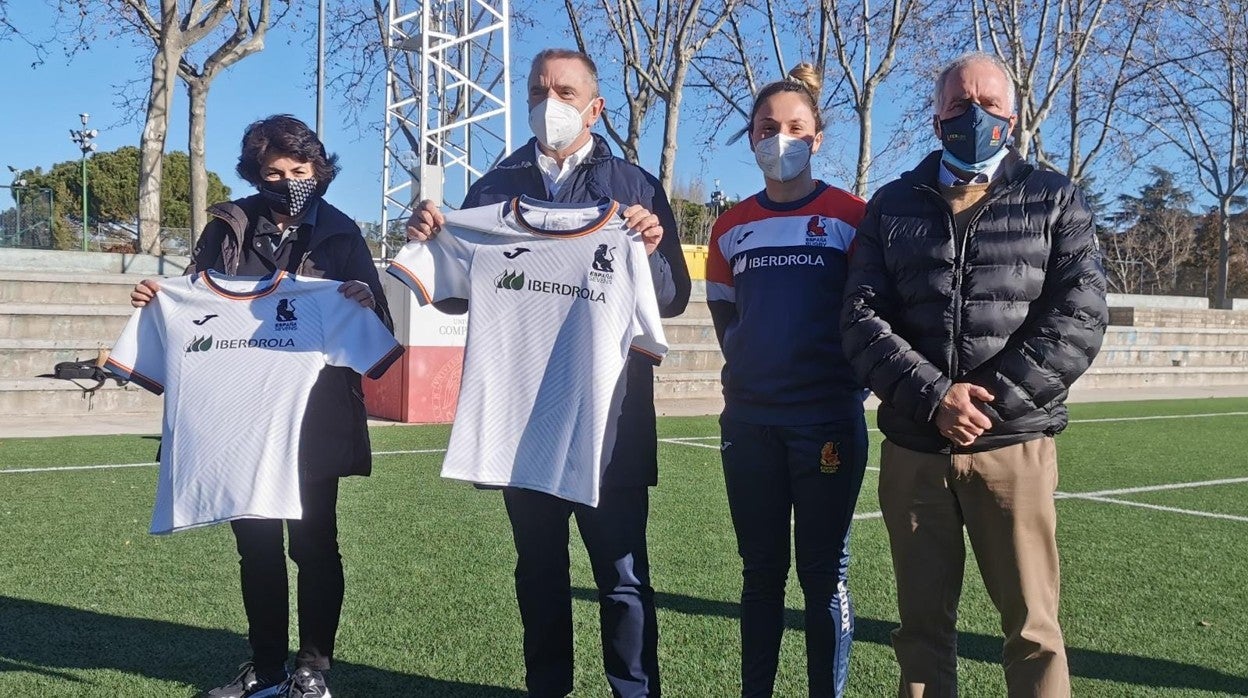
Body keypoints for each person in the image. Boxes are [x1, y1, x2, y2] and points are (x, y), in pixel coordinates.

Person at [405, 48, 690, 698]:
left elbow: (671, 297)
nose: (549, 102)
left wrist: (649, 250)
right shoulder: (492, 189)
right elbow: (454, 293)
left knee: (622, 575)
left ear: (596, 106)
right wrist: (432, 236)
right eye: (538, 90)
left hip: (609, 420)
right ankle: (547, 689)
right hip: (521, 415)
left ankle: (635, 692)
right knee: (538, 569)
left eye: (565, 91)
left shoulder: (636, 187)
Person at [840, 52, 1108, 697]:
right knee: (921, 630)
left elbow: (1080, 313)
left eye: (989, 103)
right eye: (960, 105)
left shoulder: (1053, 196)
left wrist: (990, 400)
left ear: (1012, 116)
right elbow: (859, 315)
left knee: (1033, 630)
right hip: (915, 447)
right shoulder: (893, 203)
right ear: (936, 117)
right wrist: (935, 398)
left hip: (1012, 445)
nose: (975, 116)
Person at [130, 114, 392, 698]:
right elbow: (195, 298)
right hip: (237, 416)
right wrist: (159, 299)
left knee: (314, 541)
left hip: (313, 417)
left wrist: (364, 301)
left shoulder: (344, 234)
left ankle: (313, 670)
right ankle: (267, 668)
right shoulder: (227, 226)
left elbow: (380, 333)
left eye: (301, 169)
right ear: (255, 173)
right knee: (255, 545)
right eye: (274, 171)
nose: (289, 180)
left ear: (318, 169)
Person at [704, 64, 868, 698]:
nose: (781, 139)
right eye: (768, 128)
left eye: (795, 128)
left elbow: (871, 315)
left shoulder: (853, 215)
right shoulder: (730, 226)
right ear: (751, 138)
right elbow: (726, 315)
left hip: (826, 420)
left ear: (818, 137)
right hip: (749, 424)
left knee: (825, 575)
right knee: (761, 573)